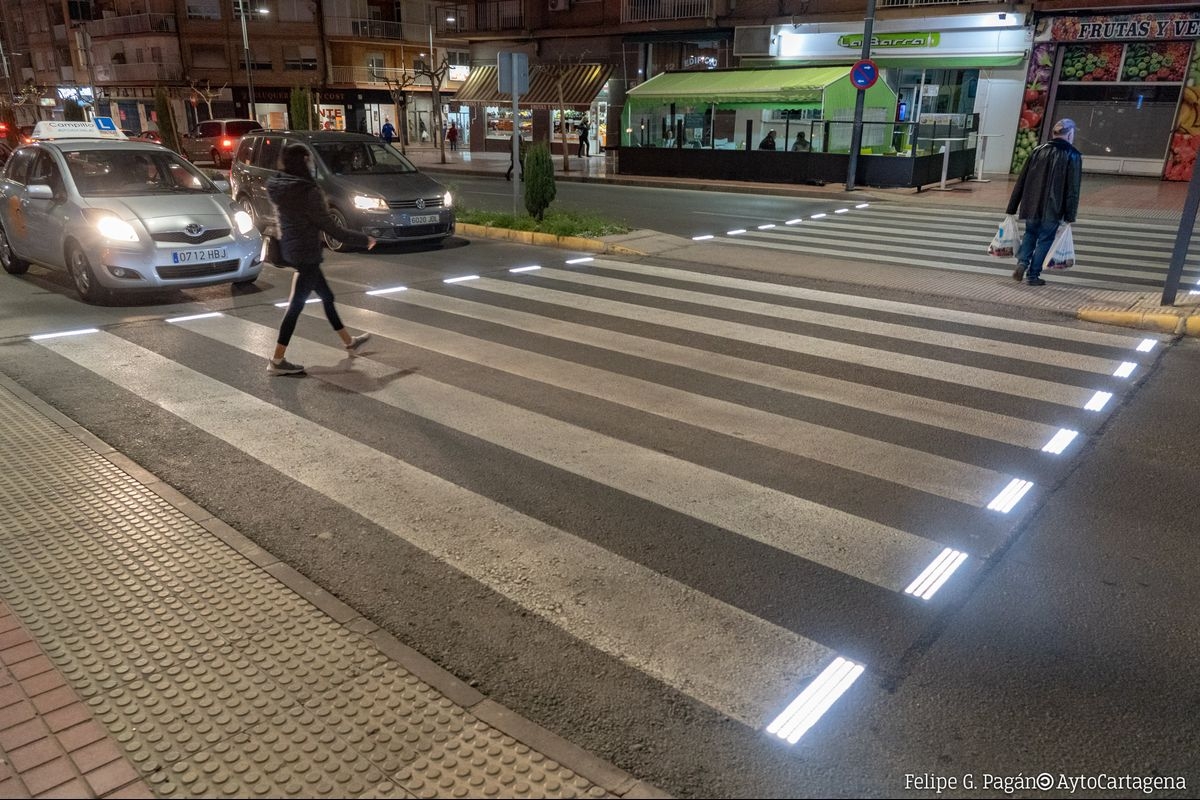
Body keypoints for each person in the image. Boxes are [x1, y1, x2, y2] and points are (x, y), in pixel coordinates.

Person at [266, 143, 377, 376]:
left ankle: (348, 341)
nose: (312, 165)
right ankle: (277, 360)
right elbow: (331, 228)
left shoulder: (280, 186)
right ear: (304, 162)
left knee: (327, 296)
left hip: (292, 250)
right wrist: (363, 239)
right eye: (309, 160)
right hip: (306, 254)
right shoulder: (307, 192)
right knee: (295, 307)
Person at [1006, 118, 1082, 287]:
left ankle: (1022, 263)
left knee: (1030, 234)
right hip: (1053, 207)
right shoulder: (1073, 155)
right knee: (1045, 239)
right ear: (1069, 134)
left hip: (1031, 203)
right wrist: (1070, 215)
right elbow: (1073, 189)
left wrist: (1012, 206)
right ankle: (1033, 275)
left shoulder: (1037, 151)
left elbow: (1022, 179)